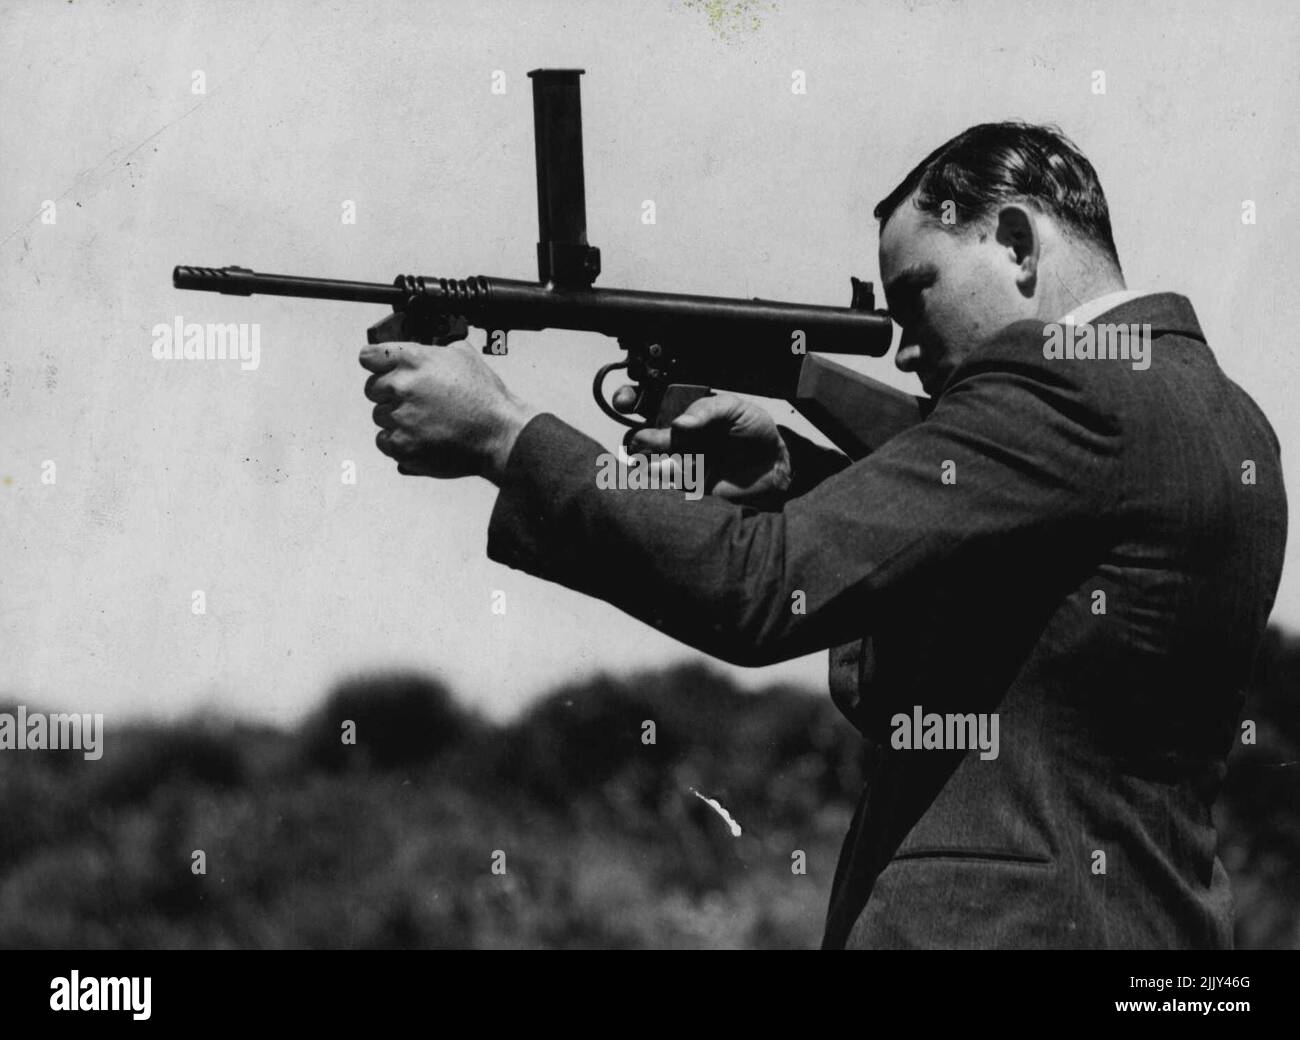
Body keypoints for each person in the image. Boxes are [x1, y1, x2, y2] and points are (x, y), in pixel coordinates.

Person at [358, 122, 1287, 948]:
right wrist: (801, 476)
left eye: (916, 297)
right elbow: (1029, 598)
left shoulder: (1061, 387)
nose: (906, 349)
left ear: (1013, 240)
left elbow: (759, 589)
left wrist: (506, 436)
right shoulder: (1224, 414)